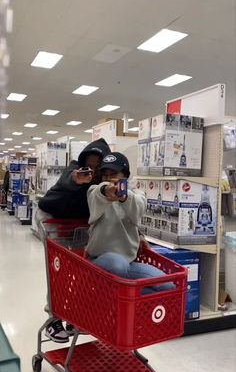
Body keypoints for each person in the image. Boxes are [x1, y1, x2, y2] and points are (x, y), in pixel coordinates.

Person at [37, 138, 111, 343]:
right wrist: (75, 179)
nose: (93, 168)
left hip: (78, 225)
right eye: (90, 163)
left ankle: (74, 315)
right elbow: (65, 180)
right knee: (59, 270)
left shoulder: (103, 182)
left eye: (98, 164)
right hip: (52, 219)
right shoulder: (74, 170)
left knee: (81, 270)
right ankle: (53, 318)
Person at [86, 152, 175, 293]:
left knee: (167, 286)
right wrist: (106, 190)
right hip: (99, 261)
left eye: (113, 174)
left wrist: (124, 198)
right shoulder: (94, 191)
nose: (109, 178)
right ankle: (123, 293)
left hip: (128, 263)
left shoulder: (137, 195)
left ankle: (122, 297)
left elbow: (137, 209)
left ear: (125, 176)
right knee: (117, 265)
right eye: (105, 174)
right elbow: (97, 193)